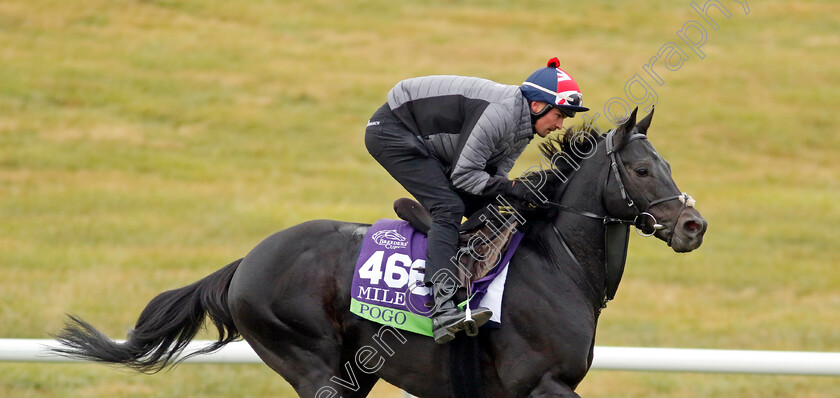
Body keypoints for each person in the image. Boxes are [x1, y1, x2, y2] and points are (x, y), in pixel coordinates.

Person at [364, 58, 589, 343]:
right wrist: (515, 188)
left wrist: (516, 197)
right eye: (559, 115)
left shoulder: (523, 128)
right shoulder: (502, 114)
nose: (560, 125)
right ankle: (443, 308)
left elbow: (492, 183)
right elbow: (465, 177)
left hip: (429, 141)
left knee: (494, 209)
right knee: (449, 206)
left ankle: (437, 232)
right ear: (537, 106)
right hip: (392, 131)